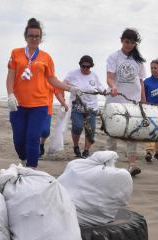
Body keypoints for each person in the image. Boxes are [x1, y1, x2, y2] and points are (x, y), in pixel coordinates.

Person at [6, 18, 79, 168]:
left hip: (39, 105)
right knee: (18, 140)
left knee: (33, 138)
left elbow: (52, 80)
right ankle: (24, 159)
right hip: (18, 104)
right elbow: (10, 77)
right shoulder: (16, 53)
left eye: (37, 36)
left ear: (41, 38)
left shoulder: (46, 57)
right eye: (31, 35)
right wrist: (10, 94)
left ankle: (32, 168)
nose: (34, 39)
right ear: (26, 37)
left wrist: (69, 88)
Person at [105, 28, 147, 176]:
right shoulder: (113, 57)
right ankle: (110, 164)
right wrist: (113, 86)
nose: (129, 45)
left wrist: (143, 100)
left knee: (132, 134)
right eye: (127, 42)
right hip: (115, 101)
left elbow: (141, 82)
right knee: (112, 134)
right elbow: (109, 77)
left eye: (132, 43)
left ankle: (132, 165)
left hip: (133, 102)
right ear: (121, 40)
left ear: (135, 44)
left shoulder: (138, 61)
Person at [64, 55, 105, 158]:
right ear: (80, 65)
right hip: (77, 106)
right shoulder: (73, 74)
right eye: (83, 66)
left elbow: (100, 87)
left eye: (88, 66)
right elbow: (63, 84)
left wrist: (103, 91)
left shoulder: (94, 76)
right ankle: (76, 146)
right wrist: (71, 89)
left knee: (90, 130)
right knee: (77, 127)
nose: (86, 68)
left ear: (91, 66)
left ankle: (86, 150)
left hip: (91, 107)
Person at [39, 84, 68, 159]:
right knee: (34, 131)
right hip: (32, 108)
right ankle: (36, 149)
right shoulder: (34, 76)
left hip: (46, 109)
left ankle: (41, 144)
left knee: (45, 131)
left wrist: (63, 103)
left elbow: (58, 92)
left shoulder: (51, 79)